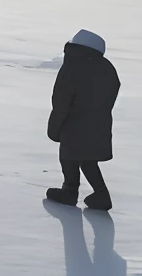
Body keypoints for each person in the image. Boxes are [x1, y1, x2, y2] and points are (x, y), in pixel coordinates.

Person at [45, 30, 119, 211]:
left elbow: (61, 101)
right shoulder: (107, 68)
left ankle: (69, 191)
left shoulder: (72, 67)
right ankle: (101, 194)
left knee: (68, 157)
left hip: (73, 123)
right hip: (99, 123)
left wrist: (54, 128)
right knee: (88, 159)